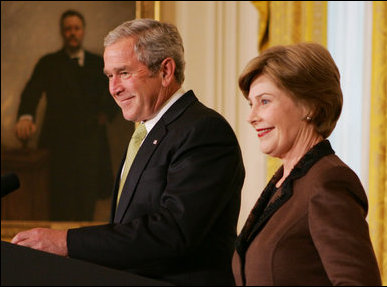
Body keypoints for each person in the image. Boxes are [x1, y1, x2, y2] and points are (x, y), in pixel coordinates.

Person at [11, 18, 245, 286]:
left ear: (166, 71)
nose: (114, 88)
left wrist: (67, 242)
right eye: (109, 76)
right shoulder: (147, 132)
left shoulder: (204, 131)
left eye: (124, 73)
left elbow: (173, 232)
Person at [232, 42, 382, 286]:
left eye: (265, 101)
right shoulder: (285, 182)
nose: (251, 117)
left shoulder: (328, 181)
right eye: (252, 104)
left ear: (309, 106)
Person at [14, 10, 118, 221]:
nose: (72, 33)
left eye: (76, 28)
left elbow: (115, 91)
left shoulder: (99, 63)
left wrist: (106, 114)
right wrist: (26, 116)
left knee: (86, 202)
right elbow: (31, 92)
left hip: (90, 147)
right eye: (68, 29)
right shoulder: (48, 63)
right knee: (57, 203)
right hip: (58, 146)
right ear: (62, 32)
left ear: (83, 31)